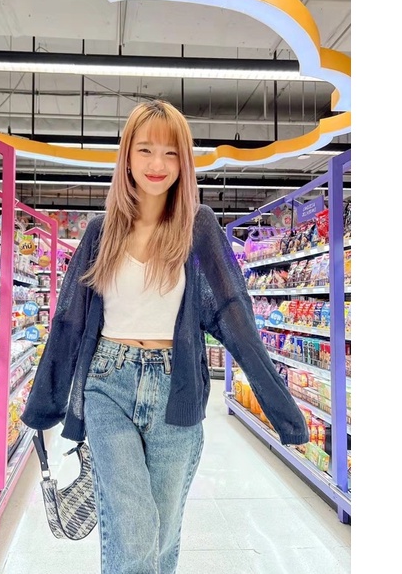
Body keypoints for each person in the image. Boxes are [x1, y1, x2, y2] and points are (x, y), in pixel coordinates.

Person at [21, 99, 309, 574]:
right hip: (107, 386)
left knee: (161, 535)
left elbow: (235, 314)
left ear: (184, 161)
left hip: (178, 389)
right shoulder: (100, 232)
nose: (158, 163)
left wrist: (283, 411)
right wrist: (43, 407)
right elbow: (69, 322)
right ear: (127, 157)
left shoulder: (200, 228)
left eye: (171, 152)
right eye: (146, 149)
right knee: (134, 531)